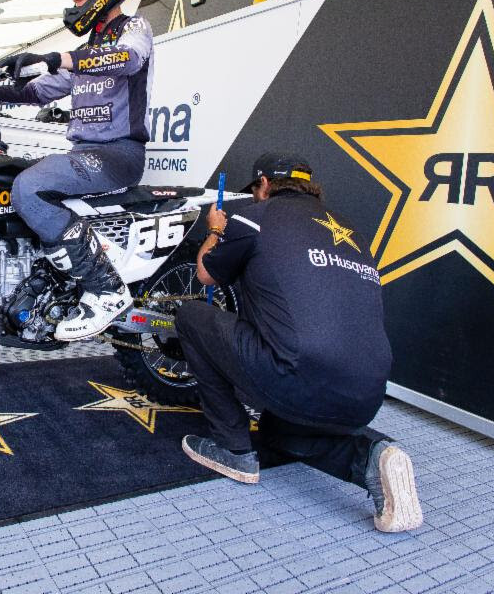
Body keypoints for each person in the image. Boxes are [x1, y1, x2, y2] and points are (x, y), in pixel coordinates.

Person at [177, 153, 423, 533]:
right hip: (367, 394)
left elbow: (208, 274)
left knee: (192, 316)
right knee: (277, 430)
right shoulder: (350, 230)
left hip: (293, 373)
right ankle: (373, 459)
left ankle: (233, 450)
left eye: (257, 190)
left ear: (263, 186)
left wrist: (215, 229)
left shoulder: (255, 217)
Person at [0, 0, 151, 341]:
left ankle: (105, 288)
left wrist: (56, 56)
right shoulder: (89, 46)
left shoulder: (134, 28)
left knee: (29, 188)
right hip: (87, 154)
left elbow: (127, 59)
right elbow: (41, 90)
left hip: (119, 155)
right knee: (9, 178)